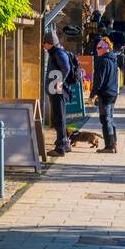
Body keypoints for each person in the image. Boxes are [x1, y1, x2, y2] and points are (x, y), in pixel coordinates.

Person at [42, 27, 77, 156]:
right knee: (58, 117)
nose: (43, 45)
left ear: (50, 43)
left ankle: (60, 147)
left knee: (59, 118)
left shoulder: (58, 53)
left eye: (44, 43)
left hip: (59, 91)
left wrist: (59, 82)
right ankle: (65, 143)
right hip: (55, 90)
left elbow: (66, 67)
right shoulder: (54, 52)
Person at [90, 36, 120, 153]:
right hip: (113, 93)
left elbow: (99, 80)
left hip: (106, 94)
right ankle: (114, 143)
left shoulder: (103, 61)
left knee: (105, 119)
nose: (97, 49)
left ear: (105, 48)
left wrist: (92, 94)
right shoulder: (113, 59)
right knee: (110, 119)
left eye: (99, 47)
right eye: (96, 47)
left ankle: (109, 146)